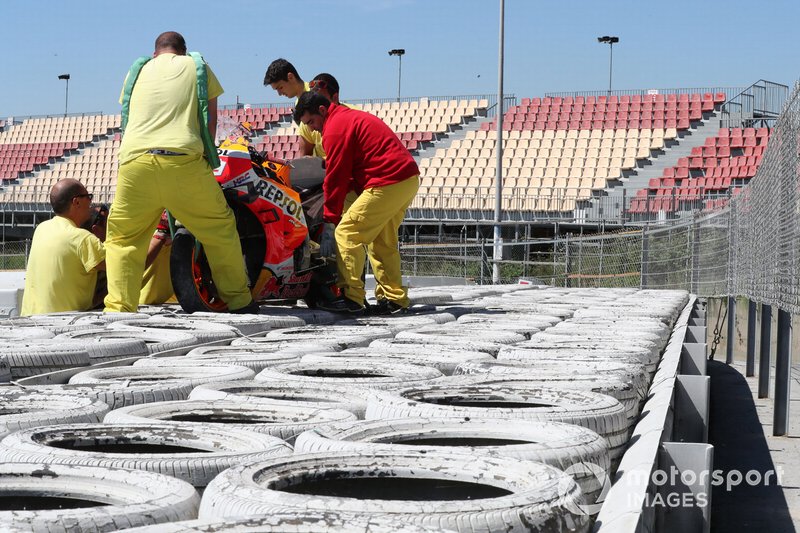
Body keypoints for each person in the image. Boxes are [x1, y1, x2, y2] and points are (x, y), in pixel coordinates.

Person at [104, 31, 257, 314]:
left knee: (124, 239)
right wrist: (204, 158)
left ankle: (119, 308)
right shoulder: (196, 66)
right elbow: (208, 119)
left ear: (155, 53)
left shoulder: (137, 71)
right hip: (183, 161)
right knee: (220, 230)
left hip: (135, 163)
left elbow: (128, 115)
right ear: (183, 52)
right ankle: (239, 301)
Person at [293, 92, 420, 315]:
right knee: (382, 242)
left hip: (387, 181)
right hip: (405, 180)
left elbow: (336, 177)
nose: (312, 129)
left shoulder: (335, 128)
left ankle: (352, 299)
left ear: (322, 110)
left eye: (311, 122)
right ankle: (395, 300)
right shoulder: (347, 118)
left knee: (346, 234)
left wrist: (330, 220)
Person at [21, 179, 105, 315]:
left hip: (31, 321)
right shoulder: (82, 238)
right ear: (76, 202)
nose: (91, 203)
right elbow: (122, 267)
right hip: (63, 325)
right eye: (88, 197)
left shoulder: (42, 229)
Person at [262, 58, 320, 157]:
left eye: (280, 87)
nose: (279, 94)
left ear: (290, 77)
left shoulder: (316, 95)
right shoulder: (298, 102)